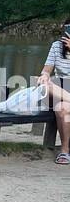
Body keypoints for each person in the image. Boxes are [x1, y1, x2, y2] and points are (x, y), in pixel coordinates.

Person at [35, 22, 70, 165]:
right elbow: (47, 70)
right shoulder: (56, 46)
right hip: (58, 90)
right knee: (44, 83)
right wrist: (44, 75)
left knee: (62, 108)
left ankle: (65, 151)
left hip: (63, 100)